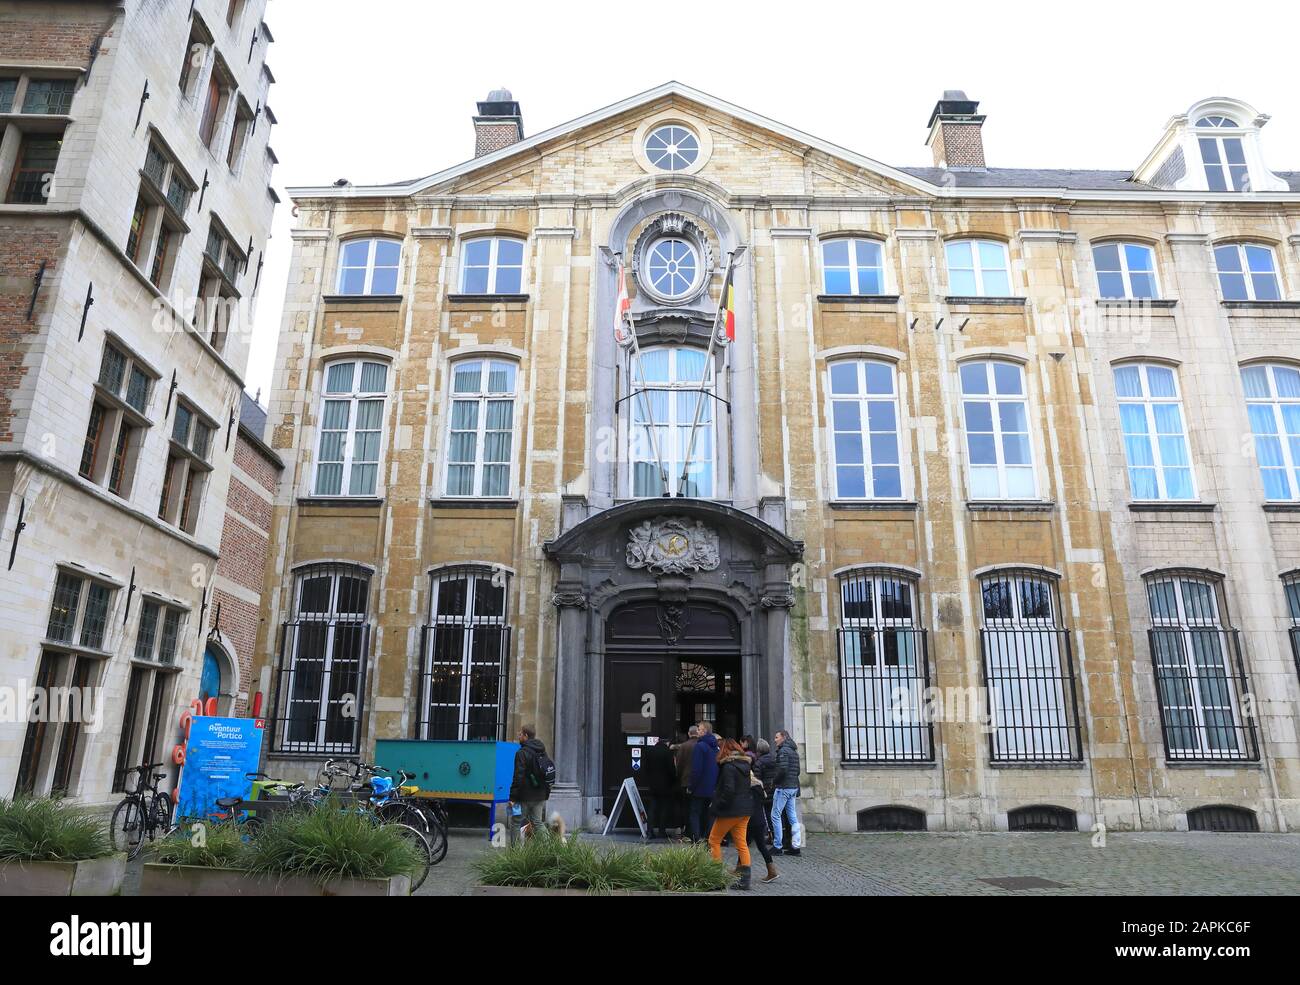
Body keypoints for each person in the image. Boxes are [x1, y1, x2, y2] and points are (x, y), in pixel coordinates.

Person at [707, 738, 754, 891]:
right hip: (744, 809)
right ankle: (744, 881)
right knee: (741, 844)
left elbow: (729, 790)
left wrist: (717, 805)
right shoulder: (745, 765)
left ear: (724, 750)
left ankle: (716, 879)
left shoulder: (728, 767)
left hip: (731, 810)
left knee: (714, 840)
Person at [508, 724, 552, 842]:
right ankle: (551, 848)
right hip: (540, 794)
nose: (519, 735)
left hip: (524, 796)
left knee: (516, 822)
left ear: (526, 736)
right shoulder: (542, 751)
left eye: (520, 734)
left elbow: (518, 777)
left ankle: (515, 853)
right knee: (537, 822)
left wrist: (512, 797)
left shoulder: (521, 753)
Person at [745, 738, 778, 883]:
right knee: (752, 843)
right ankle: (771, 870)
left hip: (753, 819)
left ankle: (743, 871)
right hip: (765, 805)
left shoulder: (752, 784)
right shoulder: (773, 760)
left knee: (746, 843)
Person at [770, 729, 803, 857]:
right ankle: (796, 846)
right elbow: (798, 771)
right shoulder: (794, 752)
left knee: (775, 815)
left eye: (777, 737)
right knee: (792, 817)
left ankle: (778, 846)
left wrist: (774, 781)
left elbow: (782, 769)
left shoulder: (783, 751)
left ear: (783, 737)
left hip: (783, 787)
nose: (775, 739)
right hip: (793, 786)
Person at [687, 721, 719, 844]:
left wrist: (691, 786)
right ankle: (708, 838)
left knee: (694, 813)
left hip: (700, 787)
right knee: (708, 813)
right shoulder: (715, 747)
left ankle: (696, 839)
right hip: (712, 786)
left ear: (705, 731)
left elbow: (696, 769)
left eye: (699, 729)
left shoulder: (700, 746)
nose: (697, 731)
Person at [641, 736, 678, 839]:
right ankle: (662, 831)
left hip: (653, 784)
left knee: (652, 808)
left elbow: (646, 768)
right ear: (667, 742)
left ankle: (650, 831)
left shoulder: (649, 750)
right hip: (666, 784)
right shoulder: (667, 752)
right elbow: (671, 769)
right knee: (664, 808)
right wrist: (674, 780)